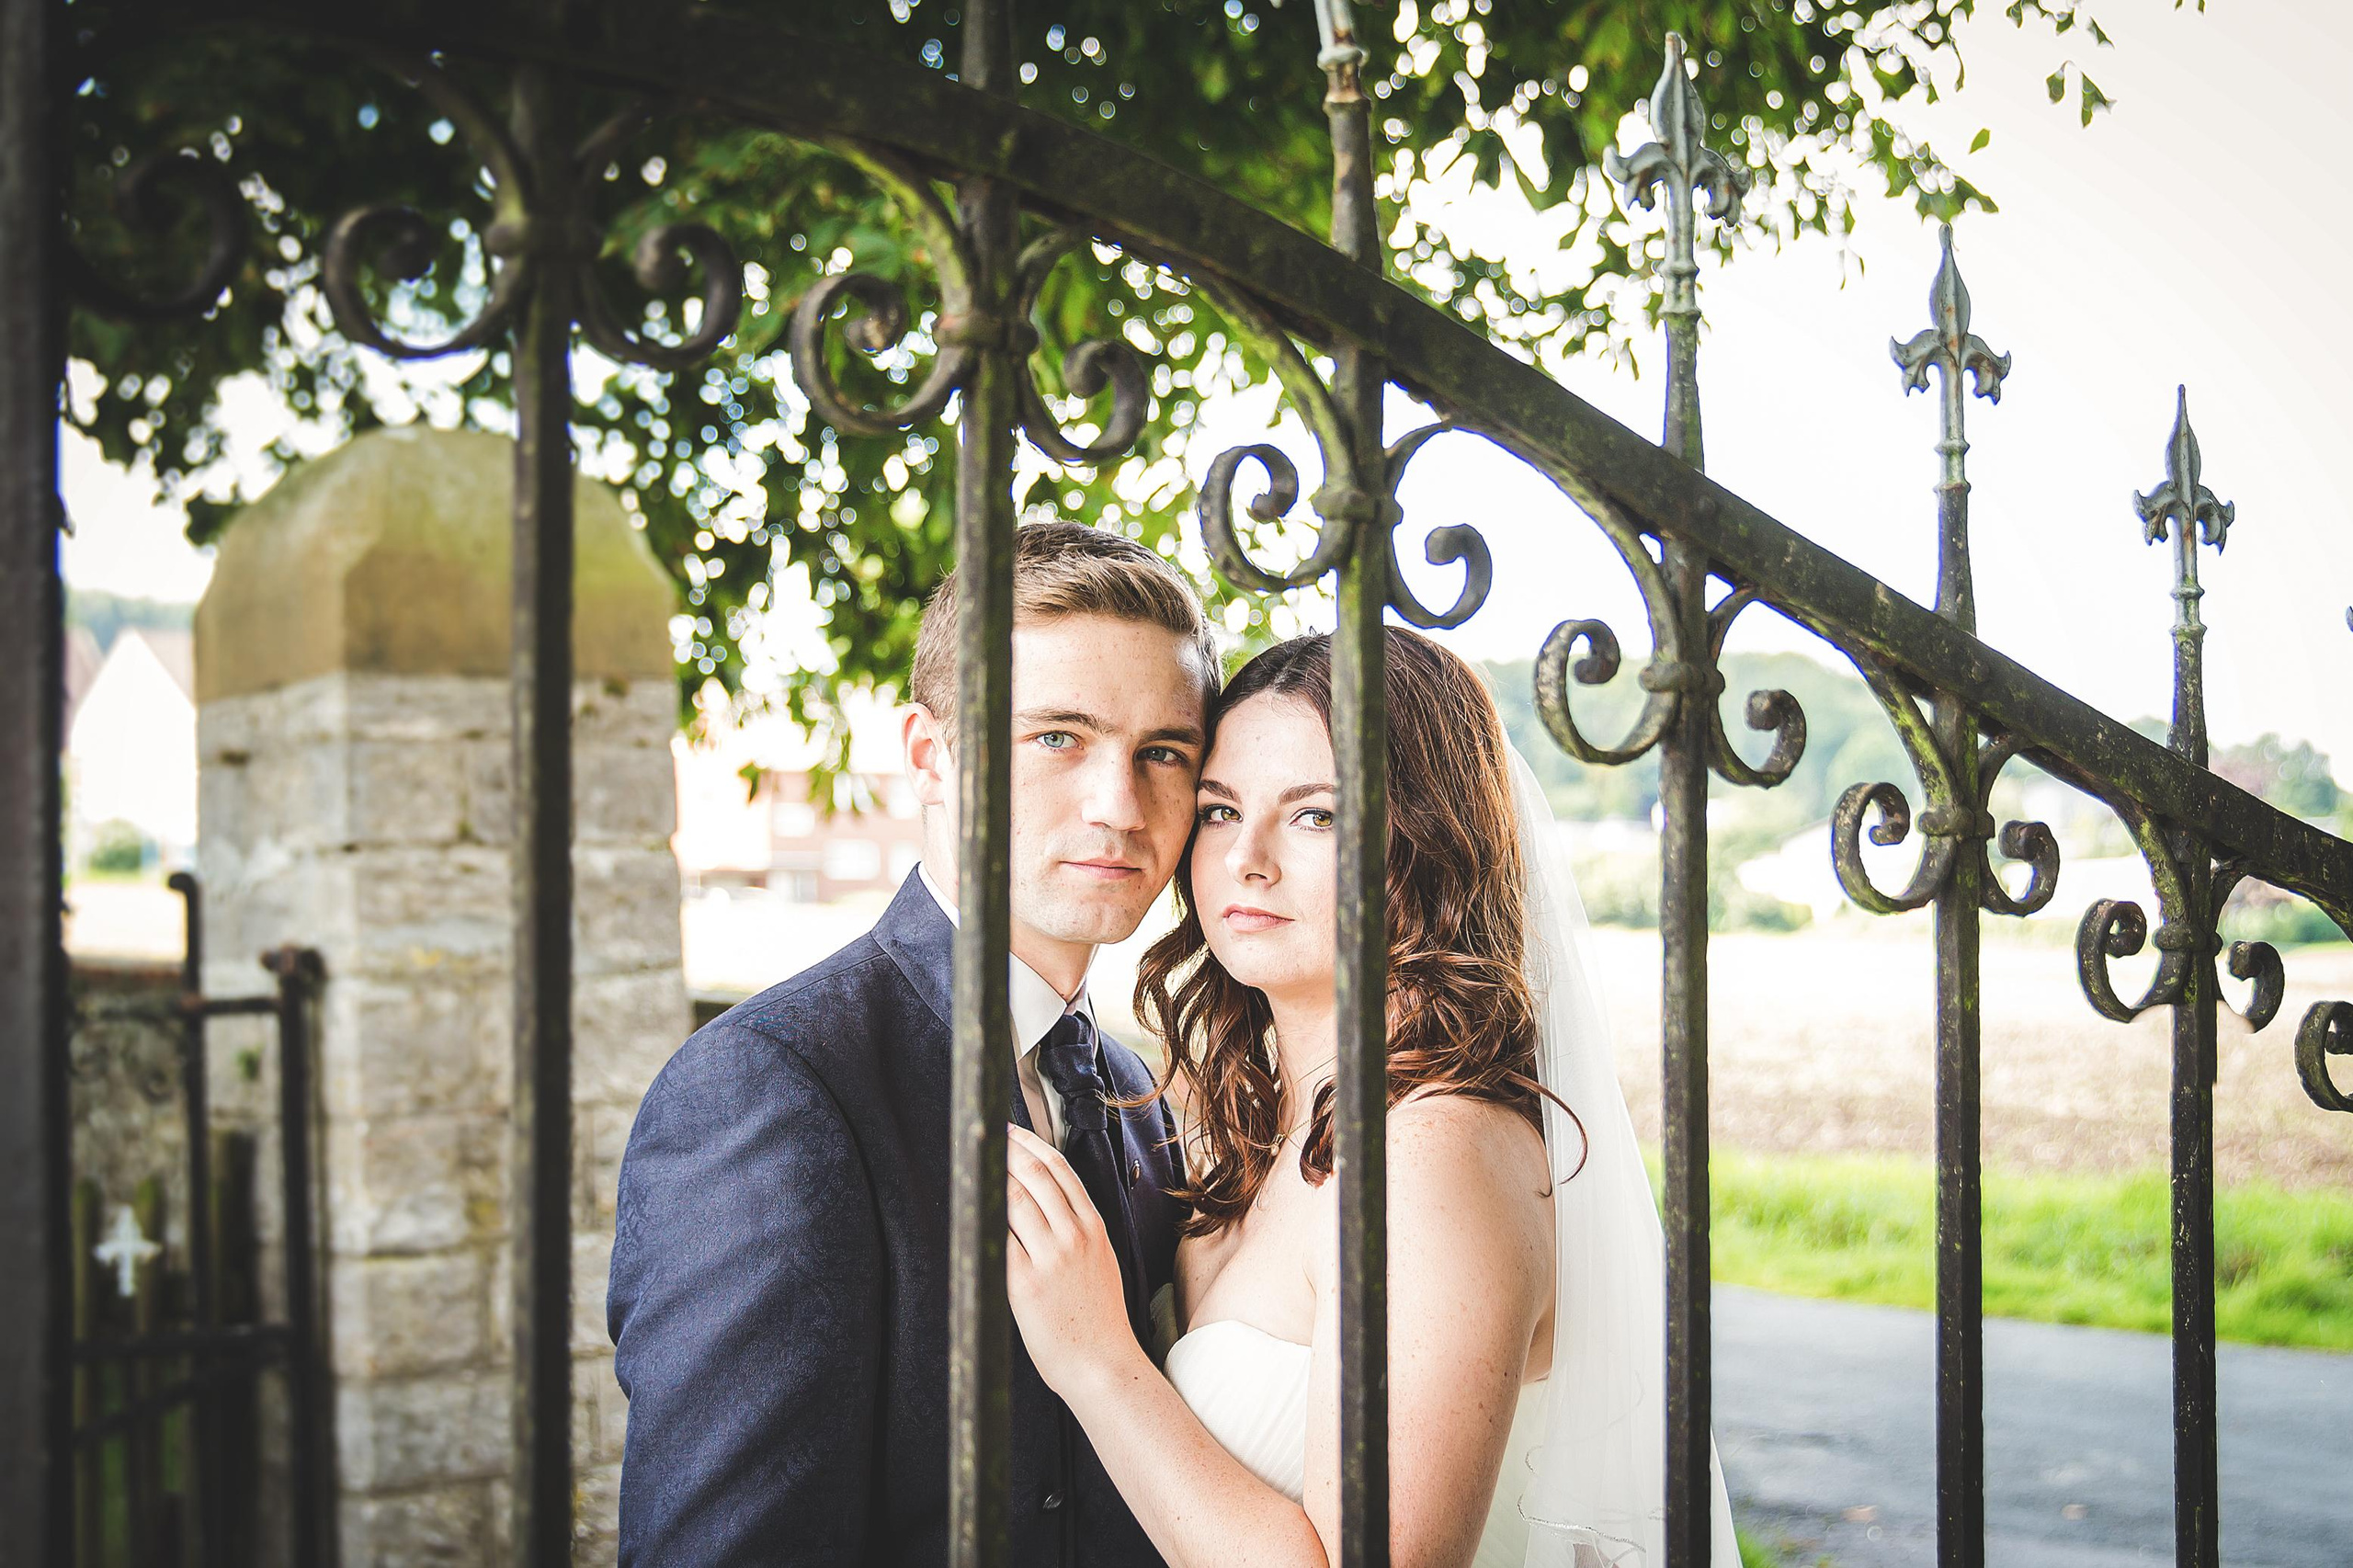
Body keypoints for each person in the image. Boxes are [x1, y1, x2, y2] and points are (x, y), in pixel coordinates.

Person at [1004, 627, 1742, 1568]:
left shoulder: (1430, 1149)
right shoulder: (1265, 1119)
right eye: (1222, 809)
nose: (1246, 859)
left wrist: (1096, 1359)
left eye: (1316, 815)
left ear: (1427, 840)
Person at [607, 520, 1220, 1566]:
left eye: (1162, 752)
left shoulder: (1127, 1089)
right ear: (932, 757)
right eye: (1058, 737)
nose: (1120, 804)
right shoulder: (772, 1089)